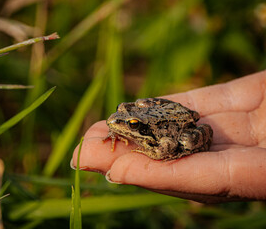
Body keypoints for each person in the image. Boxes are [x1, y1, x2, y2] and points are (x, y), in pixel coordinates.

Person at [71, 70, 266, 203]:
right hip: (163, 113)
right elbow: (117, 120)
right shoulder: (120, 120)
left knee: (186, 142)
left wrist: (153, 153)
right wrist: (115, 131)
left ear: (139, 126)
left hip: (180, 126)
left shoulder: (156, 134)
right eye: (119, 111)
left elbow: (167, 145)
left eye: (131, 124)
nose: (114, 119)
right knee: (137, 105)